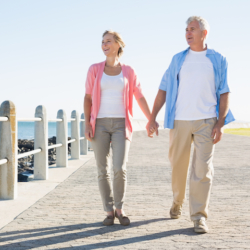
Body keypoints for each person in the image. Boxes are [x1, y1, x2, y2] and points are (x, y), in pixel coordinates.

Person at [147, 16, 235, 233]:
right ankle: (177, 201)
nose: (188, 33)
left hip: (207, 121)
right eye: (186, 29)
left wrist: (220, 123)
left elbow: (224, 91)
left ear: (204, 33)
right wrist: (152, 117)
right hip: (180, 120)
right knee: (178, 167)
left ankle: (198, 216)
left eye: (193, 29)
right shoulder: (178, 59)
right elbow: (163, 89)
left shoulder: (218, 59)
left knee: (203, 170)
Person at [84, 30, 152, 226]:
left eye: (108, 41)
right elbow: (88, 97)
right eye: (102, 42)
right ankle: (108, 211)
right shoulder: (94, 69)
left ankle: (120, 209)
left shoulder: (129, 71)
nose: (104, 44)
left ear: (118, 45)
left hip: (122, 124)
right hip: (100, 124)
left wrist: (151, 119)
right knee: (101, 169)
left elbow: (139, 97)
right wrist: (87, 123)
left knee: (119, 168)